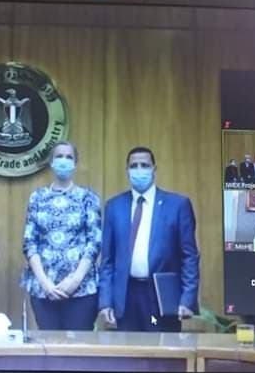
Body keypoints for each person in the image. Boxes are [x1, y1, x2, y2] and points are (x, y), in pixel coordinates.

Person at [98, 147, 200, 332]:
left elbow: (189, 257)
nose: (139, 170)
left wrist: (187, 299)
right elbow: (107, 260)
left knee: (162, 348)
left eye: (144, 165)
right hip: (126, 297)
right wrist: (105, 301)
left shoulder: (177, 205)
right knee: (127, 349)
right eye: (134, 166)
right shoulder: (114, 206)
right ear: (127, 170)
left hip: (161, 297)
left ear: (154, 169)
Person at [20, 141, 102, 330]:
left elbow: (94, 243)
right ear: (51, 162)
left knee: (79, 345)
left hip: (81, 289)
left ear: (75, 163)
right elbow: (29, 243)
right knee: (49, 344)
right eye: (59, 156)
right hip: (44, 289)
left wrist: (74, 281)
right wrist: (45, 283)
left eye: (68, 157)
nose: (64, 161)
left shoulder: (88, 198)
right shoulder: (37, 197)